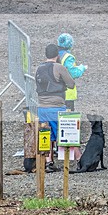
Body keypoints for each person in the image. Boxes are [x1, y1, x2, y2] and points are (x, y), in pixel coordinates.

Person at [35, 44, 75, 173]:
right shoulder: (59, 67)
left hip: (41, 107)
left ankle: (49, 162)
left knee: (47, 135)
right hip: (57, 107)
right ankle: (78, 159)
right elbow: (71, 84)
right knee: (68, 133)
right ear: (57, 55)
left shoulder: (38, 69)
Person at [58, 33, 87, 161]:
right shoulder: (68, 57)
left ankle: (60, 150)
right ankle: (74, 154)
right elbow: (72, 73)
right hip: (67, 94)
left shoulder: (56, 54)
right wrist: (82, 68)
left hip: (57, 94)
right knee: (69, 123)